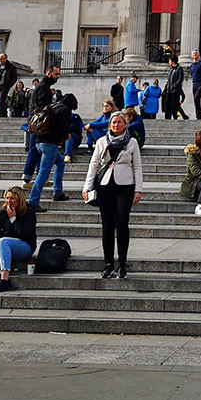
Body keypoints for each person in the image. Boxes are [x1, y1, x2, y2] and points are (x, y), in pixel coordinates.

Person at [83, 111, 143, 279]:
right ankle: (108, 263)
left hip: (125, 186)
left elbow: (137, 167)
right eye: (113, 122)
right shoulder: (102, 141)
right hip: (105, 186)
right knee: (107, 226)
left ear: (125, 124)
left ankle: (122, 263)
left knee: (122, 223)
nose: (116, 125)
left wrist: (139, 189)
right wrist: (87, 187)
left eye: (119, 122)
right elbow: (93, 165)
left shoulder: (132, 142)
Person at [28, 92, 72, 212]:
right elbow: (62, 127)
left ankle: (58, 192)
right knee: (43, 173)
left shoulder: (53, 105)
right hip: (49, 144)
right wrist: (65, 136)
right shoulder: (66, 109)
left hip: (39, 142)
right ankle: (33, 201)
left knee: (60, 163)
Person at [0, 53, 18, 118]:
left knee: (1, 101)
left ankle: (3, 116)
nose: (0, 61)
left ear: (5, 59)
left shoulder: (11, 67)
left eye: (2, 59)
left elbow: (14, 78)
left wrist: (9, 85)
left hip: (4, 86)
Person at [164, 56, 186, 120]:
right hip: (169, 90)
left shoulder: (179, 69)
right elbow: (169, 78)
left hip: (175, 90)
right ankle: (167, 118)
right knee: (167, 104)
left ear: (173, 61)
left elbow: (180, 78)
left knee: (175, 105)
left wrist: (175, 85)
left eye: (169, 61)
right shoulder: (171, 69)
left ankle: (180, 116)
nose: (169, 62)